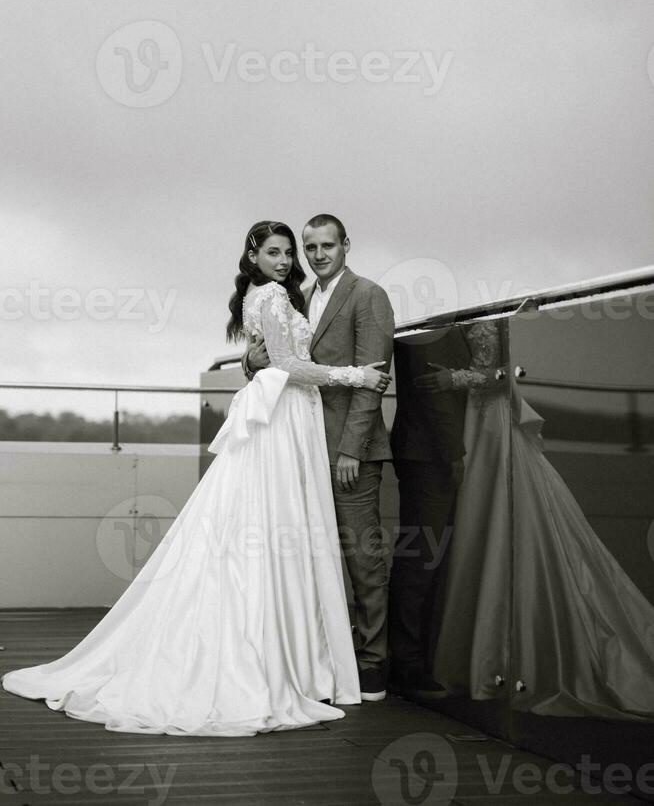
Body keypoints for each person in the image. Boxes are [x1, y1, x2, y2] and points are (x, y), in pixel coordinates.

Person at [1, 220, 392, 737]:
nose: (298, 257)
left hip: (319, 435)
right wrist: (347, 374)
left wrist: (280, 370)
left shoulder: (342, 295)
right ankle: (297, 661)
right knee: (285, 540)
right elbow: (287, 363)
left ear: (344, 247)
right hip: (290, 427)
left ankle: (353, 663)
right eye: (286, 250)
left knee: (326, 548)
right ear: (255, 257)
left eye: (302, 249)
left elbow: (283, 359)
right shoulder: (280, 296)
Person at [418, 319, 654, 721]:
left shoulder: (501, 313)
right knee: (478, 524)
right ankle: (478, 659)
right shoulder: (466, 309)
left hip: (490, 422)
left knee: (499, 520)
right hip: (471, 422)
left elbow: (508, 372)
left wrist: (454, 379)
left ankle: (499, 661)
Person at [245, 214, 395, 701]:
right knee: (315, 556)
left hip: (348, 450)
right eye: (308, 248)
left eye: (326, 245)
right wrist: (251, 359)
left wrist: (352, 448)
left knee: (361, 556)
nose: (316, 255)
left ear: (346, 245)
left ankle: (373, 665)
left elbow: (373, 376)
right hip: (303, 446)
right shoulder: (299, 295)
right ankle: (329, 659)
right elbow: (278, 354)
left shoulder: (368, 294)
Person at [387, 323, 471, 698]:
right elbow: (429, 389)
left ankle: (418, 657)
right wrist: (453, 451)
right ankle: (406, 664)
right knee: (420, 558)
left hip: (428, 449)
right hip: (429, 452)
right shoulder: (429, 321)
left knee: (426, 556)